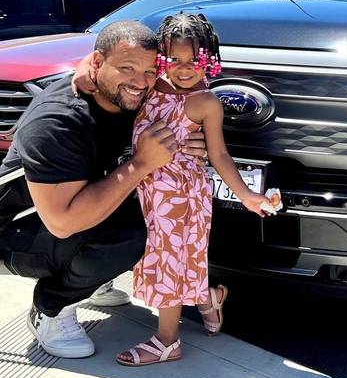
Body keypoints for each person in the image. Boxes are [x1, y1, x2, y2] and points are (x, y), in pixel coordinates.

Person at [0, 21, 206, 358]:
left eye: (150, 70)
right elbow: (62, 223)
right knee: (130, 234)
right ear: (98, 63)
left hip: (68, 208)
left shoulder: (133, 93)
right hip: (18, 228)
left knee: (162, 208)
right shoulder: (58, 121)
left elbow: (183, 93)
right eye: (127, 68)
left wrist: (188, 140)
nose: (140, 82)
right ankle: (52, 306)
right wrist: (142, 163)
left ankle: (92, 278)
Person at [111, 12, 274, 366]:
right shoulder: (149, 87)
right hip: (147, 191)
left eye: (195, 60)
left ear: (209, 60)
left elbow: (218, 153)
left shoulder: (205, 103)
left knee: (172, 261)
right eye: (175, 60)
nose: (185, 69)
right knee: (171, 259)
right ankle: (210, 300)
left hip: (181, 197)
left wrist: (247, 194)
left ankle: (167, 341)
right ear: (161, 59)